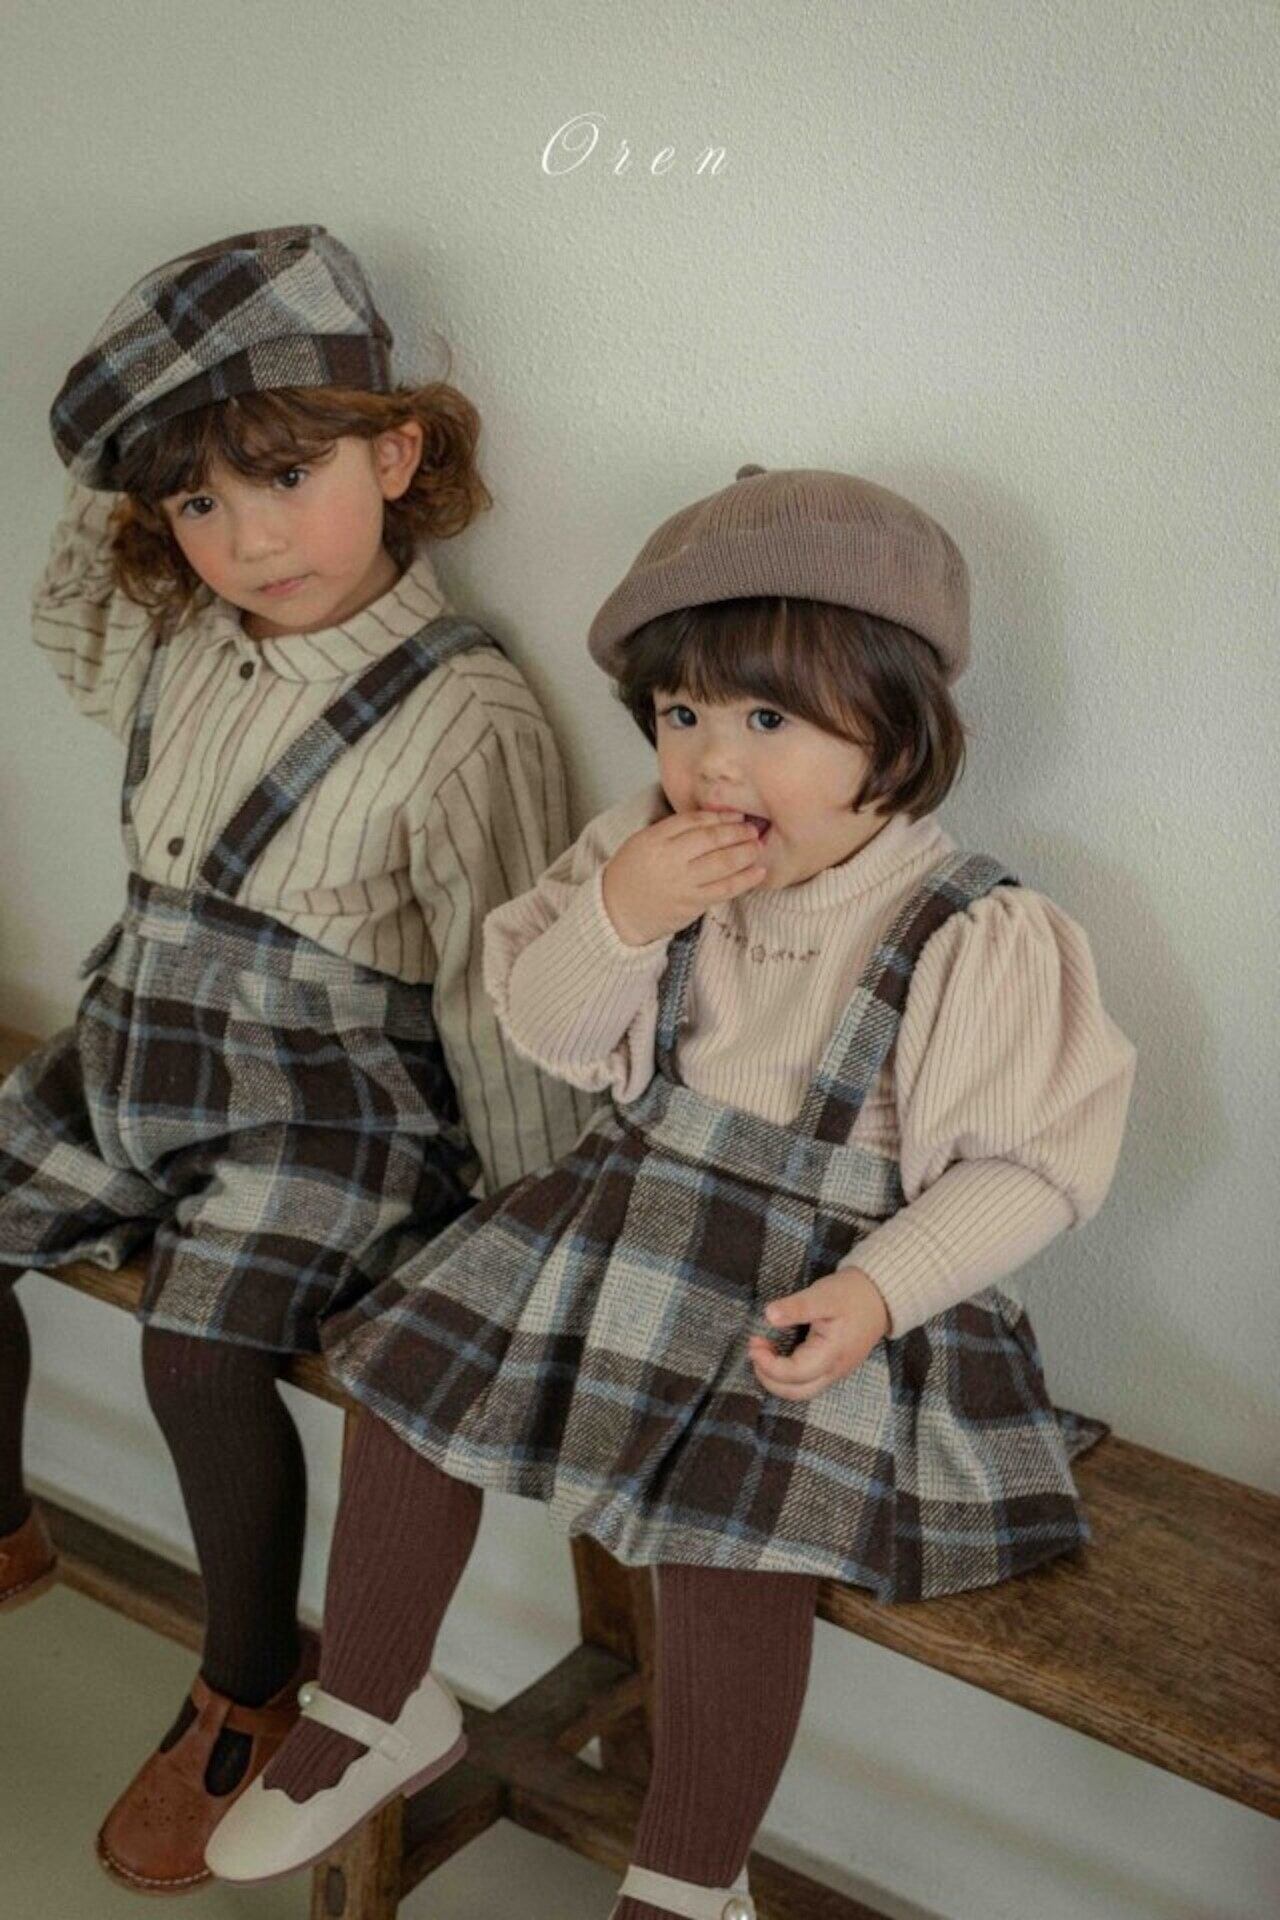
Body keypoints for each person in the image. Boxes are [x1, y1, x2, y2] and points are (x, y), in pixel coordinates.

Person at [205, 465, 1137, 1920]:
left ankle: (693, 1879)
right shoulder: (636, 855)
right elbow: (551, 1032)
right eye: (682, 713)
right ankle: (376, 1703)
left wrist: (878, 1291)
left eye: (768, 721)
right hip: (627, 1221)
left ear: (896, 728)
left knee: (733, 1541)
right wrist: (622, 916)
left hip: (829, 1284)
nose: (711, 763)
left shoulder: (971, 930)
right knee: (405, 1384)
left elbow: (1034, 1165)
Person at [0, 223, 596, 1894]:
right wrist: (131, 466)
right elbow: (69, 626)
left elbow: (497, 987)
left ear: (396, 453)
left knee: (199, 1356)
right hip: (140, 1050)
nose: (249, 538)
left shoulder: (464, 714)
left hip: (328, 1110)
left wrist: (533, 1218)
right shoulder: (186, 639)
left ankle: (248, 1684)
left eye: (284, 476)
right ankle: (8, 1530)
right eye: (196, 504)